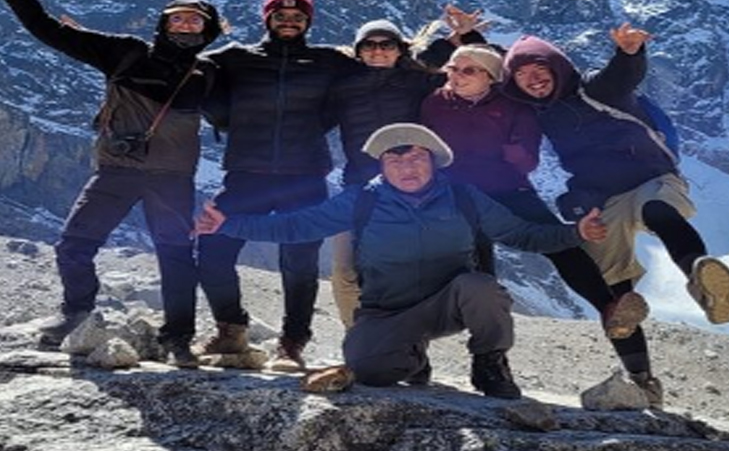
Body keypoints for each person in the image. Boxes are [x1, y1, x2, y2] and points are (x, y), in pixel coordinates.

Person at [193, 123, 609, 398]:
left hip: (451, 302)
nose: (406, 167)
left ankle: (489, 364)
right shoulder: (364, 200)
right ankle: (413, 357)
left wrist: (575, 233)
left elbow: (521, 233)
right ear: (382, 166)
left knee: (482, 288)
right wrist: (228, 224)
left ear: (433, 161)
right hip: (386, 311)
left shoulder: (464, 196)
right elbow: (297, 226)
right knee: (368, 370)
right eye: (395, 160)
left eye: (415, 159)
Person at [0, 0, 222, 367]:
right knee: (74, 245)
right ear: (164, 24)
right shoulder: (128, 53)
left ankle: (179, 337)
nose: (186, 25)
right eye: (179, 19)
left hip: (172, 179)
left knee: (176, 257)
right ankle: (76, 314)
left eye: (195, 21)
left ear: (208, 29)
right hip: (119, 170)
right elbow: (52, 32)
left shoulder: (212, 73)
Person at [501, 25, 729, 403]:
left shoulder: (594, 90)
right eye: (521, 74)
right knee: (616, 297)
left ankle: (700, 278)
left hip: (651, 179)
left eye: (539, 69)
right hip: (604, 199)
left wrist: (630, 52)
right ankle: (641, 380)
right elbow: (484, 69)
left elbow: (622, 76)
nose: (532, 78)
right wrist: (465, 38)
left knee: (657, 209)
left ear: (558, 68)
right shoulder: (540, 113)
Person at [419, 44, 656, 388]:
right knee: (482, 279)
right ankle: (490, 366)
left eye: (467, 70)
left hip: (510, 191)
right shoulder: (434, 103)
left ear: (489, 76)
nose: (455, 77)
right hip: (458, 199)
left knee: (566, 248)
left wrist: (511, 151)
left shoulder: (512, 103)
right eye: (452, 69)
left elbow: (527, 160)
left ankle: (617, 323)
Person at [198, 0, 356, 371]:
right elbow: (186, 64)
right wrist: (221, 116)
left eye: (298, 18)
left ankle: (292, 343)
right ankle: (231, 328)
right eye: (281, 16)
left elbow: (384, 67)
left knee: (299, 262)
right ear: (267, 18)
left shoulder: (329, 61)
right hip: (246, 175)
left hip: (304, 177)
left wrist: (454, 45)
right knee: (212, 248)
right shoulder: (235, 57)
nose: (290, 22)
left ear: (308, 23)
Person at [325, 8, 485, 327]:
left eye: (387, 44)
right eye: (369, 45)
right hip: (358, 187)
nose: (378, 51)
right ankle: (360, 346)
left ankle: (410, 351)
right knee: (345, 272)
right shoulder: (341, 85)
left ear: (400, 49)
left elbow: (477, 74)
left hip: (414, 189)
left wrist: (464, 36)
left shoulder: (419, 82)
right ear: (358, 52)